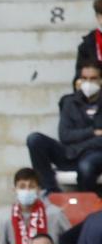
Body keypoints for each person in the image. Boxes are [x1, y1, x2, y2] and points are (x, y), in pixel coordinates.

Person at [26, 62, 102, 193]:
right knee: (34, 140)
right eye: (84, 78)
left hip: (94, 155)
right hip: (70, 153)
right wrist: (93, 132)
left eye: (93, 78)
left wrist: (81, 140)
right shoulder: (69, 102)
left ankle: (87, 206)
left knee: (86, 166)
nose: (88, 82)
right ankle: (51, 192)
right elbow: (65, 135)